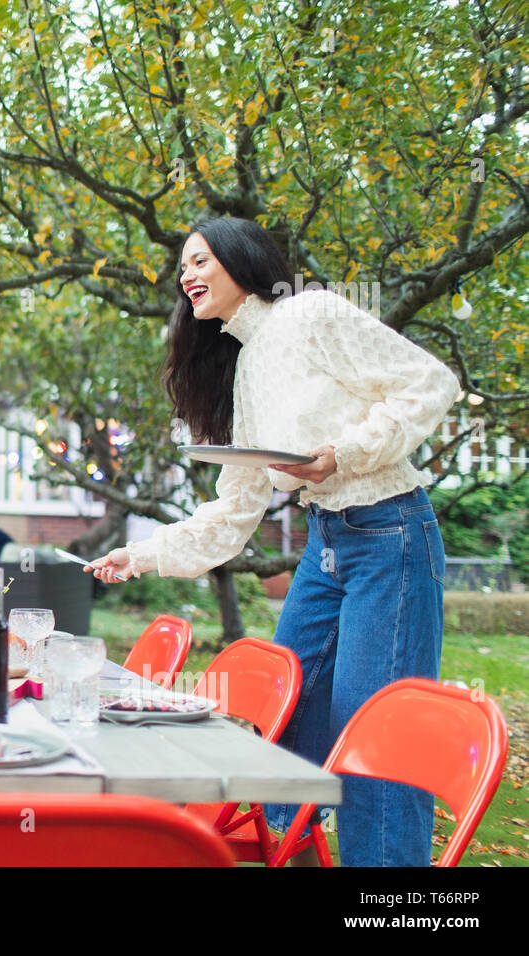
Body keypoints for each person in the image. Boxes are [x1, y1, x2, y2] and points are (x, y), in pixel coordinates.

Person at [88, 217, 458, 867]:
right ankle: (296, 853)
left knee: (375, 739)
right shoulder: (248, 364)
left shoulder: (311, 313)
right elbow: (237, 507)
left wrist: (341, 454)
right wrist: (141, 555)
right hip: (328, 542)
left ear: (242, 260)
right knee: (287, 720)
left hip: (389, 534)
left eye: (201, 260)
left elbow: (429, 384)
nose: (188, 275)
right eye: (183, 267)